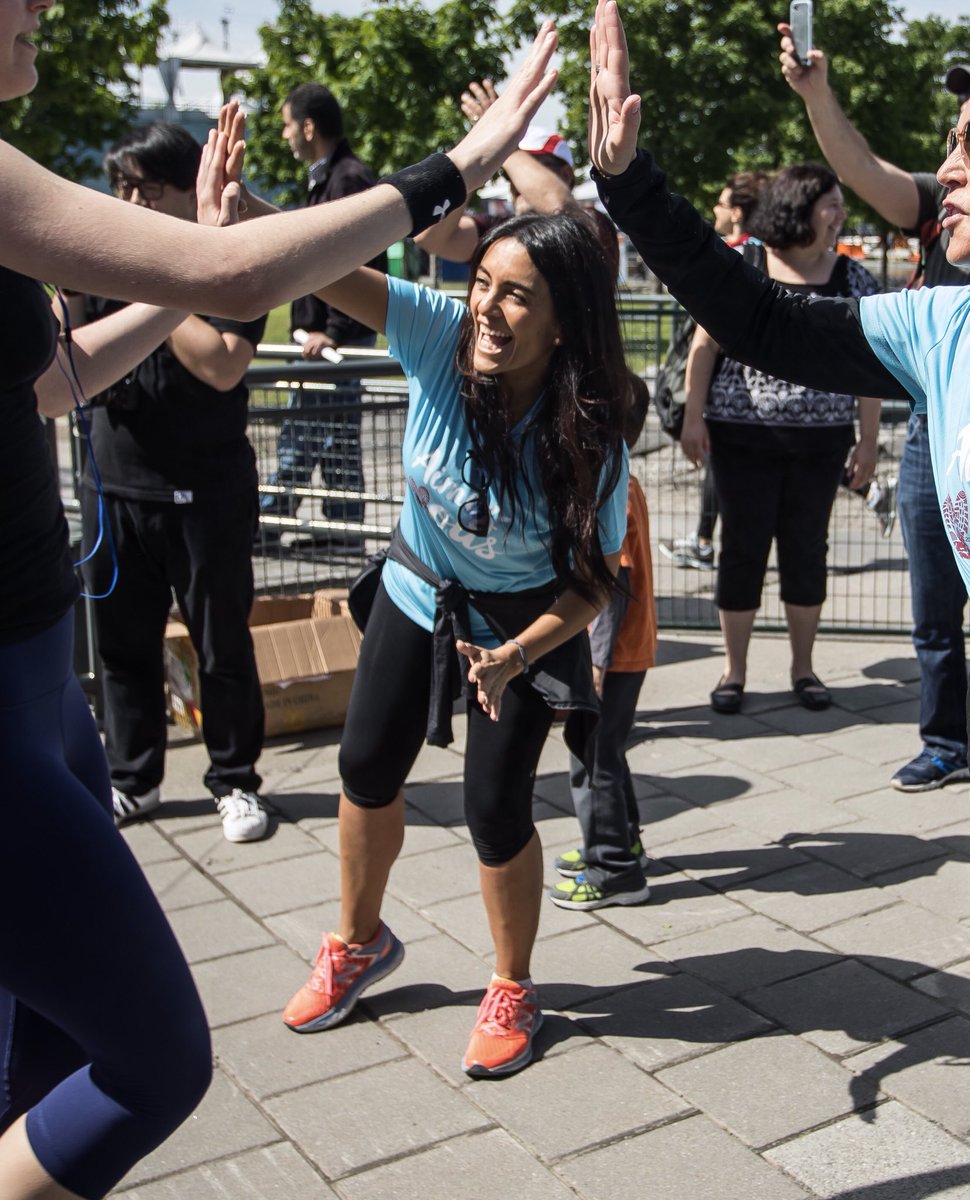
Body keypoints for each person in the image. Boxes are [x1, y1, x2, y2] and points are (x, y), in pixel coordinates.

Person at [0, 0, 559, 1189]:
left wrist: (202, 268)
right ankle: (354, 938)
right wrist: (454, 166)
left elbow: (55, 381)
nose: (42, 9)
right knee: (155, 1059)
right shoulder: (429, 336)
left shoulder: (584, 417)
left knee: (49, 1030)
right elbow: (248, 273)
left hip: (43, 681)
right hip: (9, 682)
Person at [279, 211, 631, 1080]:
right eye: (483, 282)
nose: (488, 308)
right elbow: (323, 271)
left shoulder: (592, 435)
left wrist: (518, 654)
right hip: (417, 588)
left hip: (524, 623)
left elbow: (594, 584)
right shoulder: (441, 334)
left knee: (495, 810)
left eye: (518, 295)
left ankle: (514, 986)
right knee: (363, 765)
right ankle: (358, 944)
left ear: (564, 324)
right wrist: (247, 219)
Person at [588, 0, 970, 753]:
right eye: (952, 142)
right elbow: (759, 318)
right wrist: (628, 182)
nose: (948, 167)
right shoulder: (942, 322)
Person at [776, 25, 968, 788]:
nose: (953, 164)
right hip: (934, 429)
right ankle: (947, 741)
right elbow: (861, 169)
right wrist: (816, 93)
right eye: (956, 137)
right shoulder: (941, 202)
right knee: (933, 606)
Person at [75, 122, 268, 843]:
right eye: (121, 187)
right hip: (117, 488)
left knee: (221, 645)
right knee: (123, 647)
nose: (128, 202)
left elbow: (222, 362)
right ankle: (133, 778)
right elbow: (68, 353)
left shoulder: (229, 262)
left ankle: (236, 780)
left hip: (206, 491)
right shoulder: (101, 260)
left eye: (145, 189)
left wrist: (158, 284)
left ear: (187, 191)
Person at [678, 163, 883, 715]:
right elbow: (704, 347)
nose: (841, 215)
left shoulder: (853, 279)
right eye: (832, 204)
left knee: (805, 550)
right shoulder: (745, 265)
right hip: (741, 437)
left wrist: (868, 442)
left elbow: (869, 367)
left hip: (822, 443)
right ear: (799, 206)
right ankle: (733, 671)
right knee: (740, 551)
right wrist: (693, 417)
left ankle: (803, 668)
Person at [259, 83, 386, 537]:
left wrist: (333, 329)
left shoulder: (346, 178)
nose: (285, 135)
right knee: (324, 433)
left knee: (312, 430)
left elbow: (356, 257)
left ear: (308, 126)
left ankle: (279, 516)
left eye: (288, 125)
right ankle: (337, 522)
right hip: (325, 338)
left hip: (335, 341)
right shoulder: (329, 176)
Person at [550, 373, 656, 910]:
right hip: (621, 653)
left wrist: (596, 659)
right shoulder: (622, 477)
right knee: (607, 750)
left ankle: (612, 868)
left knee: (590, 755)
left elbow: (617, 586)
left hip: (611, 655)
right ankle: (625, 844)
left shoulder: (610, 488)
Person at [660, 170, 768, 572]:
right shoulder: (772, 254)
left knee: (720, 467)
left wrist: (693, 411)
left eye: (721, 203)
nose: (715, 211)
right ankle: (707, 540)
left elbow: (704, 341)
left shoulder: (732, 256)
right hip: (763, 394)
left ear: (737, 212)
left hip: (725, 392)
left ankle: (704, 542)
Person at [420, 80, 620, 278]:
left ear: (566, 175)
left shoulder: (593, 223)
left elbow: (560, 205)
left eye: (528, 165)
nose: (515, 179)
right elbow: (431, 239)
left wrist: (503, 142)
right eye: (509, 167)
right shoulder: (497, 229)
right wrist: (473, 155)